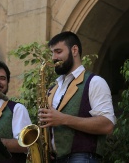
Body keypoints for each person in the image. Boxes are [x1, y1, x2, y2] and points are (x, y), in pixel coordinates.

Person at [38, 31, 116, 163]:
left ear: (74, 50)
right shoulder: (53, 89)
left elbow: (107, 125)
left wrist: (63, 119)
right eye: (52, 53)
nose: (53, 57)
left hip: (83, 158)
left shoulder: (95, 82)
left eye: (58, 51)